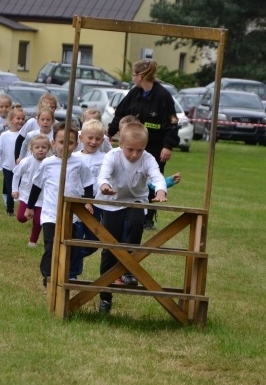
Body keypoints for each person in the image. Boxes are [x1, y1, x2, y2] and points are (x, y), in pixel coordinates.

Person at [96, 122, 167, 313]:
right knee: (110, 247)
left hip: (136, 200)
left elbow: (156, 176)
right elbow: (103, 174)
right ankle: (105, 296)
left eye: (139, 150)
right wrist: (104, 185)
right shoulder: (113, 156)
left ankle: (128, 270)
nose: (134, 155)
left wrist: (160, 190)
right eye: (130, 150)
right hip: (111, 202)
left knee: (136, 226)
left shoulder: (148, 158)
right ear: (120, 143)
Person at [107, 59, 178, 229]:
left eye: (133, 74)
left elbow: (172, 122)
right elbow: (120, 114)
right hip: (132, 144)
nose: (132, 78)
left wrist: (168, 146)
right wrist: (109, 133)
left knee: (154, 178)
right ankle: (124, 209)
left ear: (141, 76)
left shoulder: (163, 96)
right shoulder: (134, 93)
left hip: (155, 146)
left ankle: (148, 217)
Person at [25, 123, 95, 292]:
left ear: (76, 144)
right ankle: (48, 278)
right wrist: (30, 207)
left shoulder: (79, 163)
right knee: (51, 246)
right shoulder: (47, 163)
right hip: (50, 214)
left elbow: (88, 184)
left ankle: (66, 276)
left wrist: (88, 201)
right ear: (54, 143)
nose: (66, 146)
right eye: (62, 142)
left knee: (69, 247)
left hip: (72, 215)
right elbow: (36, 186)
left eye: (70, 143)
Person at [68, 119, 107, 278]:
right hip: (77, 205)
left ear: (102, 140)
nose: (93, 142)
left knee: (94, 241)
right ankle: (72, 273)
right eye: (90, 138)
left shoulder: (105, 158)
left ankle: (71, 255)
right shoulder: (74, 157)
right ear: (81, 138)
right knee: (76, 237)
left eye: (98, 139)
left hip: (97, 205)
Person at [13, 134, 51, 247]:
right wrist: (14, 189)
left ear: (48, 149)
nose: (40, 150)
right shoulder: (26, 162)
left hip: (42, 197)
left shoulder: (49, 163)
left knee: (38, 221)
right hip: (26, 195)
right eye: (37, 147)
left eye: (43, 147)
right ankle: (30, 212)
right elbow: (16, 175)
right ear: (31, 149)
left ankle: (33, 241)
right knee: (21, 218)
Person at [0, 106, 26, 216]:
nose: (21, 121)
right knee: (11, 189)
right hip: (8, 167)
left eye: (23, 119)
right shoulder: (5, 135)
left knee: (22, 189)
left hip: (22, 168)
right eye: (18, 118)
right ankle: (10, 210)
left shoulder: (25, 136)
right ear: (11, 120)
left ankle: (24, 210)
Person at [15, 93, 59, 159]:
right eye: (45, 106)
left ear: (55, 108)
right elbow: (20, 140)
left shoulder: (57, 125)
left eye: (52, 107)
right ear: (40, 107)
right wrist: (18, 158)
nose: (49, 109)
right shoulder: (32, 122)